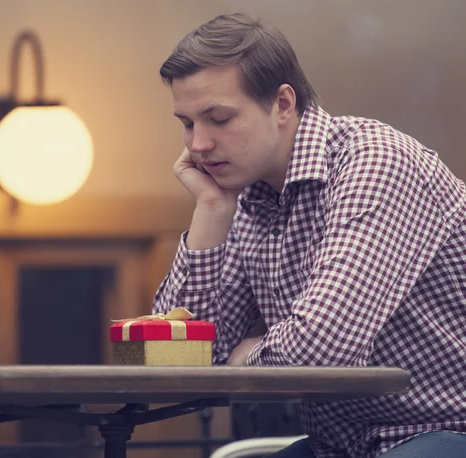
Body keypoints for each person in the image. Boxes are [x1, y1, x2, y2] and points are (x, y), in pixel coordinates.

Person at [152, 12, 466, 458]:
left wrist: (240, 360)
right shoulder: (244, 193)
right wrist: (210, 209)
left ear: (283, 104)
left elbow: (323, 351)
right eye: (187, 123)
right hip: (337, 446)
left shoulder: (376, 163)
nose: (198, 144)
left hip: (443, 430)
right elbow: (170, 362)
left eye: (218, 118)